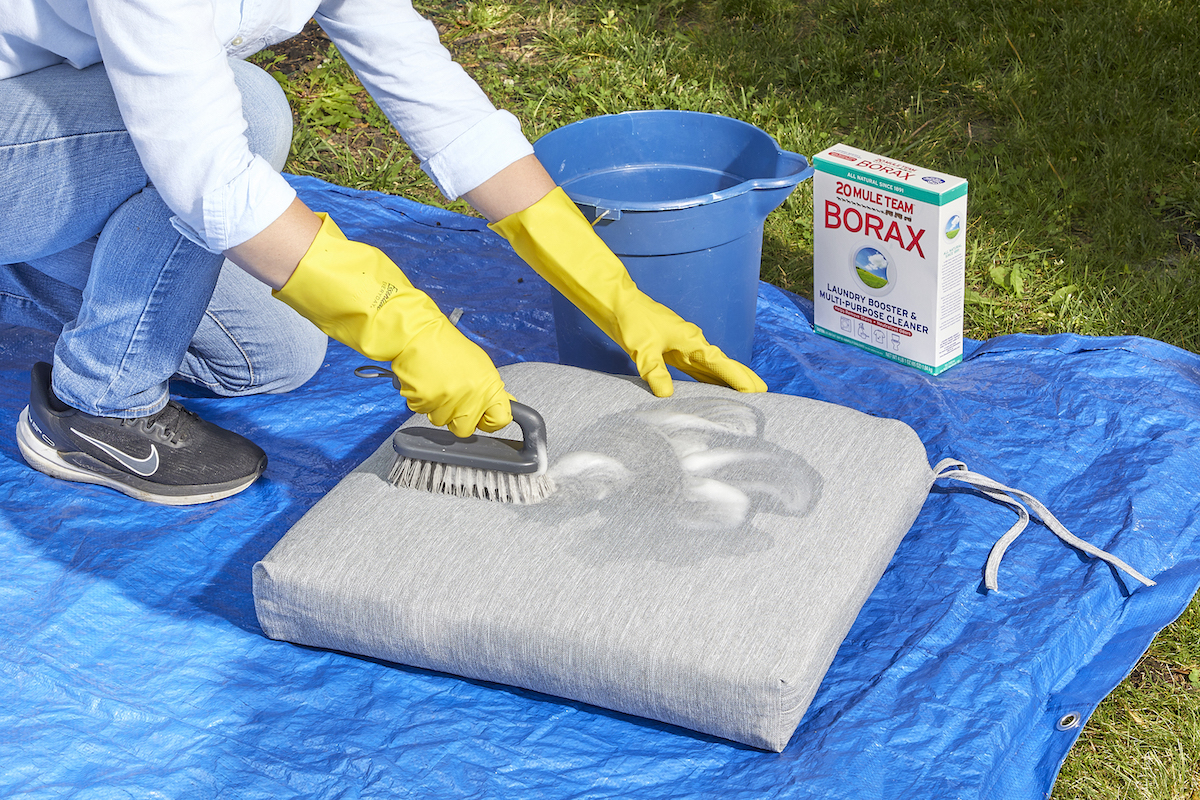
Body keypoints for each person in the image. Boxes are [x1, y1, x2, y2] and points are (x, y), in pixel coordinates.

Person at [0, 0, 767, 507]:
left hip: (54, 117)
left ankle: (25, 262)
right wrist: (405, 327)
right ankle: (98, 407)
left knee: (271, 358)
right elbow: (205, 180)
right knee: (249, 112)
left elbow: (444, 110)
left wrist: (614, 293)